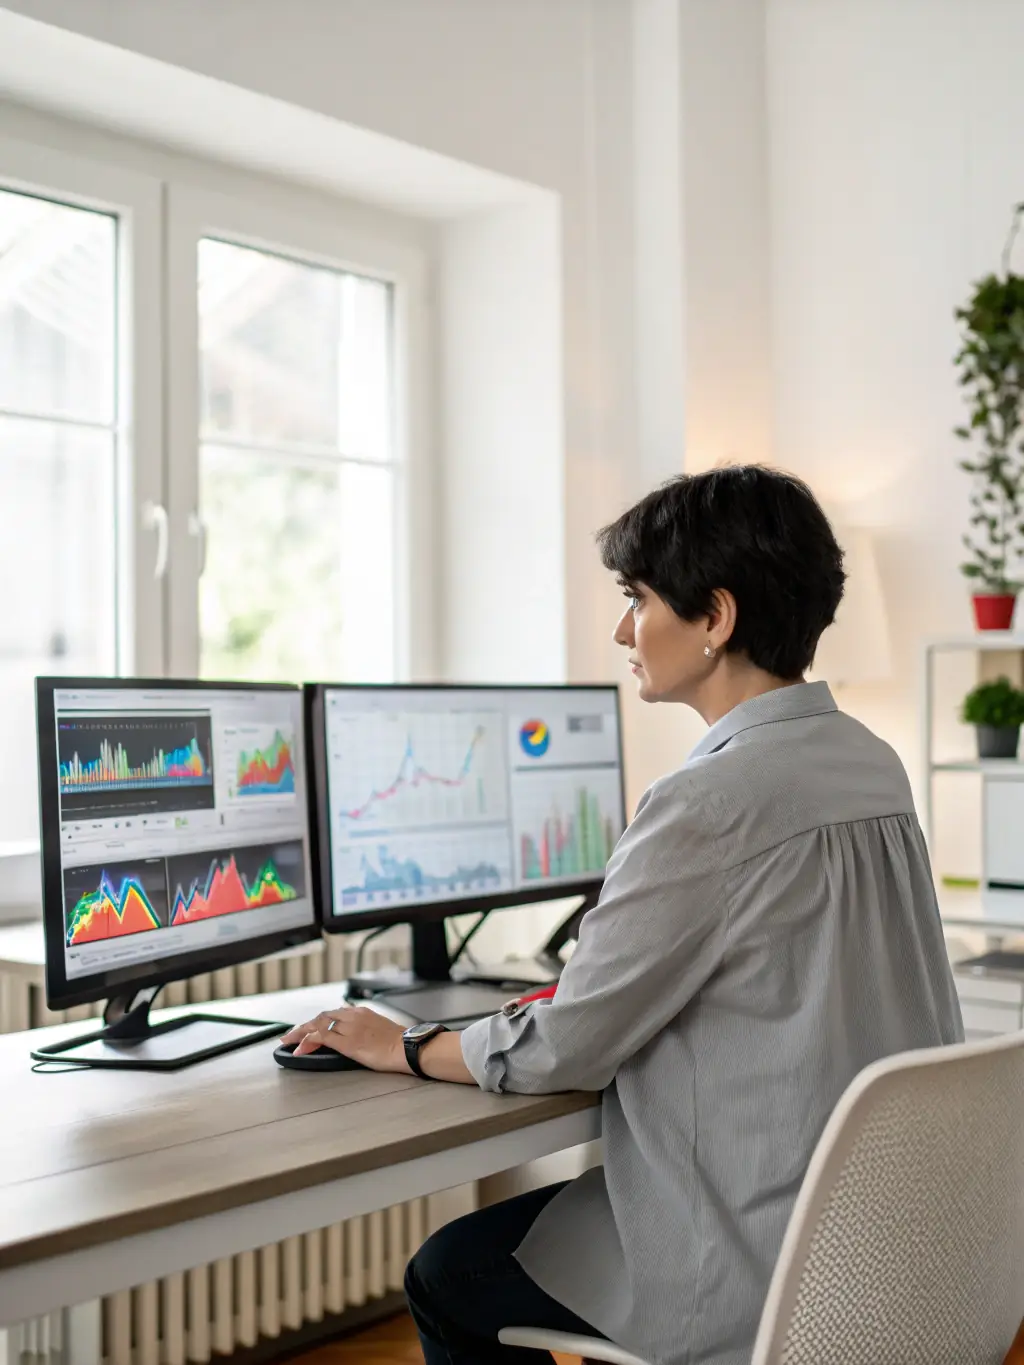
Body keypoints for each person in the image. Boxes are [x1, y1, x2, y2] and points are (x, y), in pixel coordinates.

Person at [282, 465, 964, 1365]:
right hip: (887, 1240)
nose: (622, 629)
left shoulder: (703, 802)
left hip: (758, 1255)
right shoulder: (874, 762)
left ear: (715, 618)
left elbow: (570, 1045)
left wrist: (403, 1042)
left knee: (448, 1273)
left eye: (638, 599)